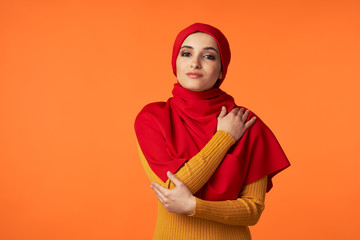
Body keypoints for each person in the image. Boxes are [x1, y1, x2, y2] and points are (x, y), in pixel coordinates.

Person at [134, 23, 290, 240]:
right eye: (186, 53)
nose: (195, 63)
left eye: (208, 56)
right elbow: (172, 188)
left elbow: (252, 210)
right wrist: (224, 138)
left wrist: (193, 206)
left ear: (221, 70)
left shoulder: (245, 122)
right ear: (175, 62)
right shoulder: (153, 118)